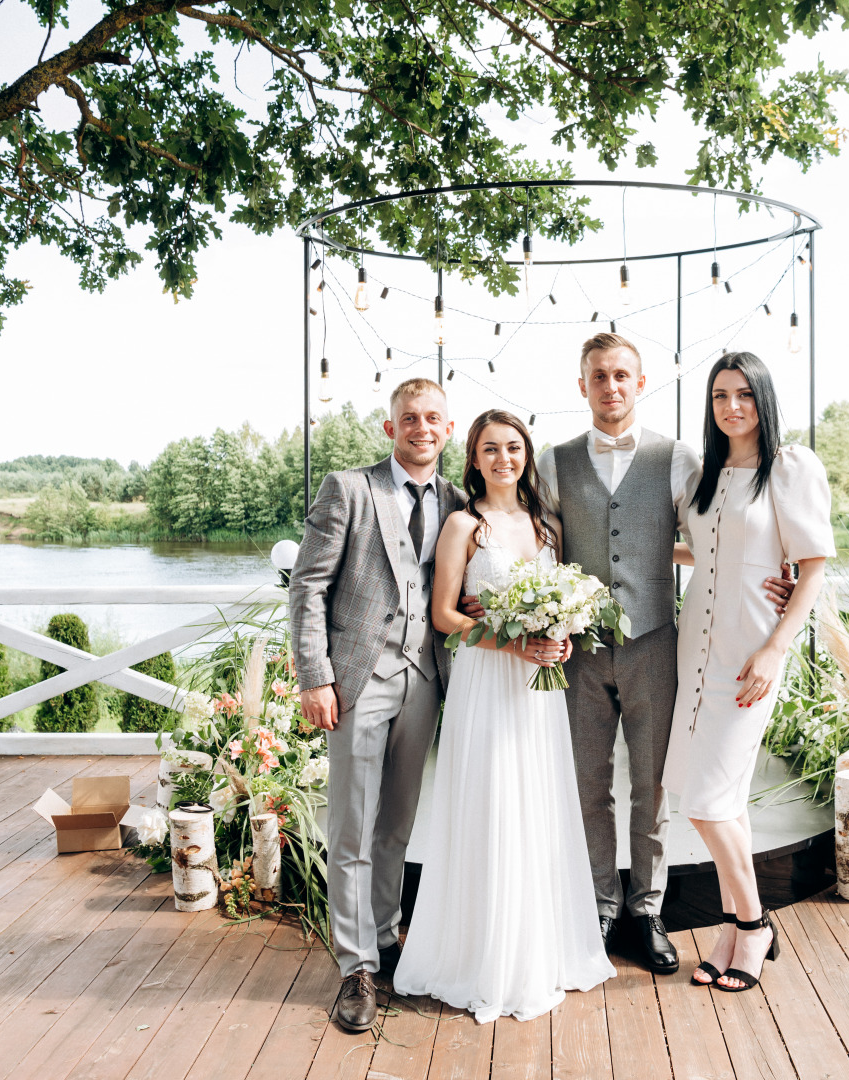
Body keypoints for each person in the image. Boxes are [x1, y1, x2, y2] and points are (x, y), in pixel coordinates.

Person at [479, 332, 792, 976]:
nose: (611, 387)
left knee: (653, 784)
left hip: (657, 643)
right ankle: (599, 904)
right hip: (578, 650)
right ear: (583, 385)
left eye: (622, 375)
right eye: (599, 376)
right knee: (588, 782)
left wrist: (775, 575)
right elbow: (539, 545)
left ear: (639, 382)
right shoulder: (555, 461)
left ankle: (647, 909)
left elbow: (723, 532)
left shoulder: (679, 458)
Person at [393, 410, 615, 1022]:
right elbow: (444, 616)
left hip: (538, 695)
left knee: (537, 806)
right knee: (490, 805)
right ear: (473, 458)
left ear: (527, 455)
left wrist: (562, 639)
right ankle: (481, 956)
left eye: (513, 447)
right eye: (490, 449)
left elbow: (564, 603)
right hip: (485, 684)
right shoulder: (464, 526)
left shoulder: (548, 527)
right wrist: (515, 643)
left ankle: (539, 950)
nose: (503, 459)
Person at [287, 378, 466, 1033]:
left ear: (449, 429)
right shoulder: (349, 488)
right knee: (351, 829)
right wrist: (315, 676)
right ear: (390, 428)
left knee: (396, 825)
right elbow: (307, 588)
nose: (422, 428)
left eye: (433, 419)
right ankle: (355, 967)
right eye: (409, 418)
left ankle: (387, 939)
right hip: (358, 679)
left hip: (425, 678)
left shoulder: (458, 501)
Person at [668, 351, 834, 992]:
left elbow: (813, 564)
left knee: (708, 805)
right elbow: (702, 549)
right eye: (718, 396)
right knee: (718, 798)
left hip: (750, 653)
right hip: (696, 649)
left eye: (743, 394)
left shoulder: (790, 467)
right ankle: (736, 930)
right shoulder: (706, 476)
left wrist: (775, 648)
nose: (731, 406)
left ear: (762, 398)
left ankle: (753, 922)